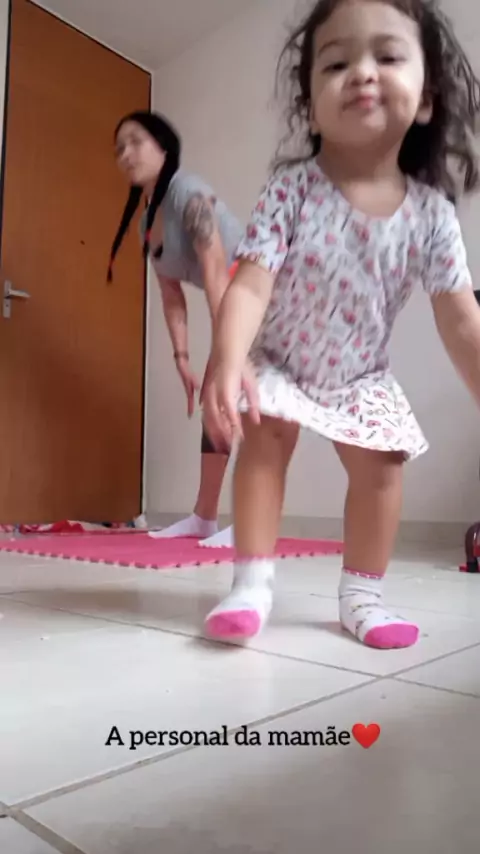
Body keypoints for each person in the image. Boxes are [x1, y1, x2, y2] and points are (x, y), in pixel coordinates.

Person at [201, 0, 480, 647]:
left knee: (384, 467)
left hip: (361, 376)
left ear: (426, 100)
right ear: (311, 107)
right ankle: (250, 585)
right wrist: (231, 355)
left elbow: (461, 320)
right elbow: (251, 283)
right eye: (336, 63)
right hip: (281, 360)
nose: (362, 72)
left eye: (387, 55)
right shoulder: (292, 190)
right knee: (264, 438)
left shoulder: (432, 216)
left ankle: (362, 596)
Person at [109, 111, 243, 545]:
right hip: (235, 300)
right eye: (119, 148)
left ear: (164, 147)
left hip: (263, 293)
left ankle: (252, 520)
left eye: (136, 141)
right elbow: (171, 294)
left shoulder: (189, 192)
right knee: (215, 405)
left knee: (240, 401)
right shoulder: (147, 223)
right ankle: (204, 518)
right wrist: (182, 357)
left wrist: (226, 349)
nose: (126, 154)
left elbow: (216, 271)